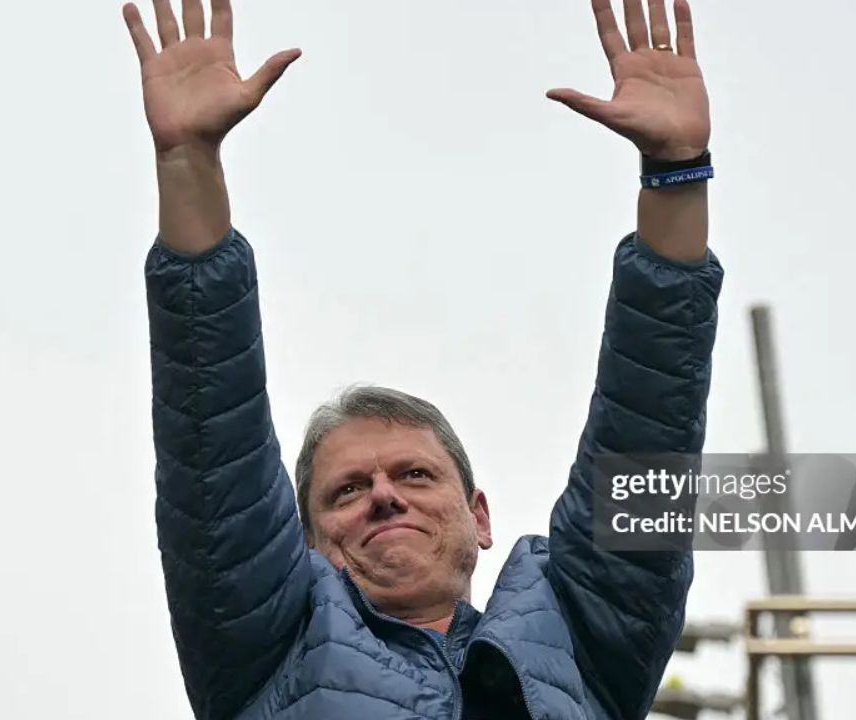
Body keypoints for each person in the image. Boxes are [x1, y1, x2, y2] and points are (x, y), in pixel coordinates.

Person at [124, 0, 723, 717]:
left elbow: (650, 421)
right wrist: (189, 160)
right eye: (345, 491)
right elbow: (211, 439)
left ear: (480, 515)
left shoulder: (578, 638)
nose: (383, 494)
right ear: (303, 545)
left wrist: (677, 170)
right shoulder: (264, 648)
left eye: (415, 473)